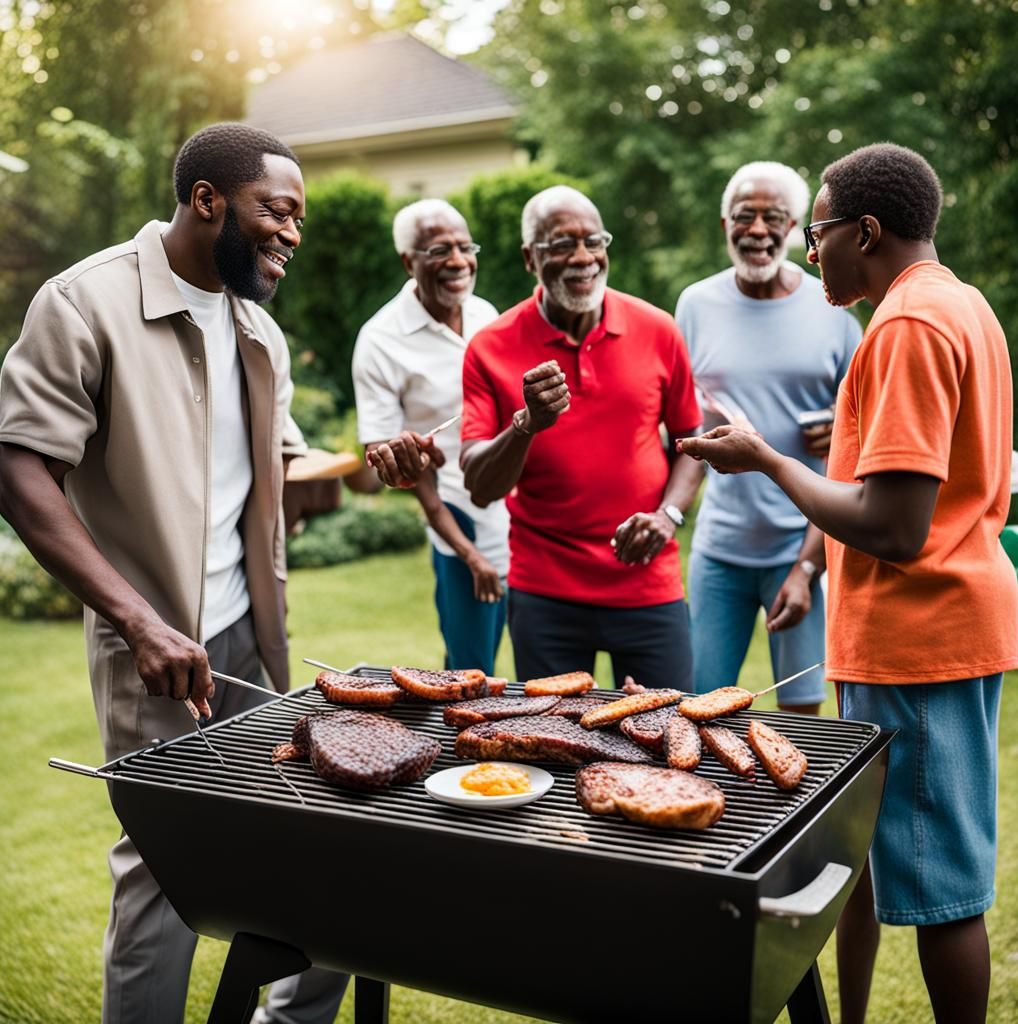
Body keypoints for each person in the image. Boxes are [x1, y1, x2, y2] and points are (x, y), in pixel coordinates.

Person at [0, 123, 348, 1024]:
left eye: (300, 217)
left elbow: (277, 470)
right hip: (154, 648)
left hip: (249, 643)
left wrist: (370, 463)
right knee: (165, 875)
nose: (294, 234)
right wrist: (138, 621)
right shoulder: (86, 301)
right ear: (207, 200)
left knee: (329, 840)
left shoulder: (255, 327)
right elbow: (18, 465)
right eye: (278, 210)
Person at [678, 143, 1018, 1024]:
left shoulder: (907, 328)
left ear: (864, 232)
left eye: (817, 232)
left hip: (922, 639)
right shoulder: (960, 304)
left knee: (944, 893)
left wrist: (764, 460)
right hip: (926, 633)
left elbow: (895, 527)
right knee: (873, 863)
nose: (806, 251)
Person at [445, 185, 700, 688]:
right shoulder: (491, 346)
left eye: (593, 241)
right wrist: (527, 424)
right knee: (552, 746)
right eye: (563, 244)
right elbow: (480, 485)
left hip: (646, 580)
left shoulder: (658, 328)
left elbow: (690, 438)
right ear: (529, 257)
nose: (583, 258)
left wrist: (667, 516)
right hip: (546, 592)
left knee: (668, 740)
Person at [673, 161, 861, 714]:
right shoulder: (695, 304)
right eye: (744, 216)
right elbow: (682, 415)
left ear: (798, 225)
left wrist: (808, 567)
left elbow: (860, 444)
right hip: (719, 548)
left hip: (800, 544)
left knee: (803, 709)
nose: (757, 229)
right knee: (699, 705)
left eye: (773, 216)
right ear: (724, 223)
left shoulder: (834, 309)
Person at [352, 199, 508, 673]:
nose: (459, 261)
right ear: (409, 261)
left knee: (540, 679)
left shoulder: (487, 316)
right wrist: (470, 556)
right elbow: (392, 461)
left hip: (522, 518)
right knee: (470, 675)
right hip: (459, 524)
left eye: (465, 247)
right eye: (441, 250)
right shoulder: (381, 340)